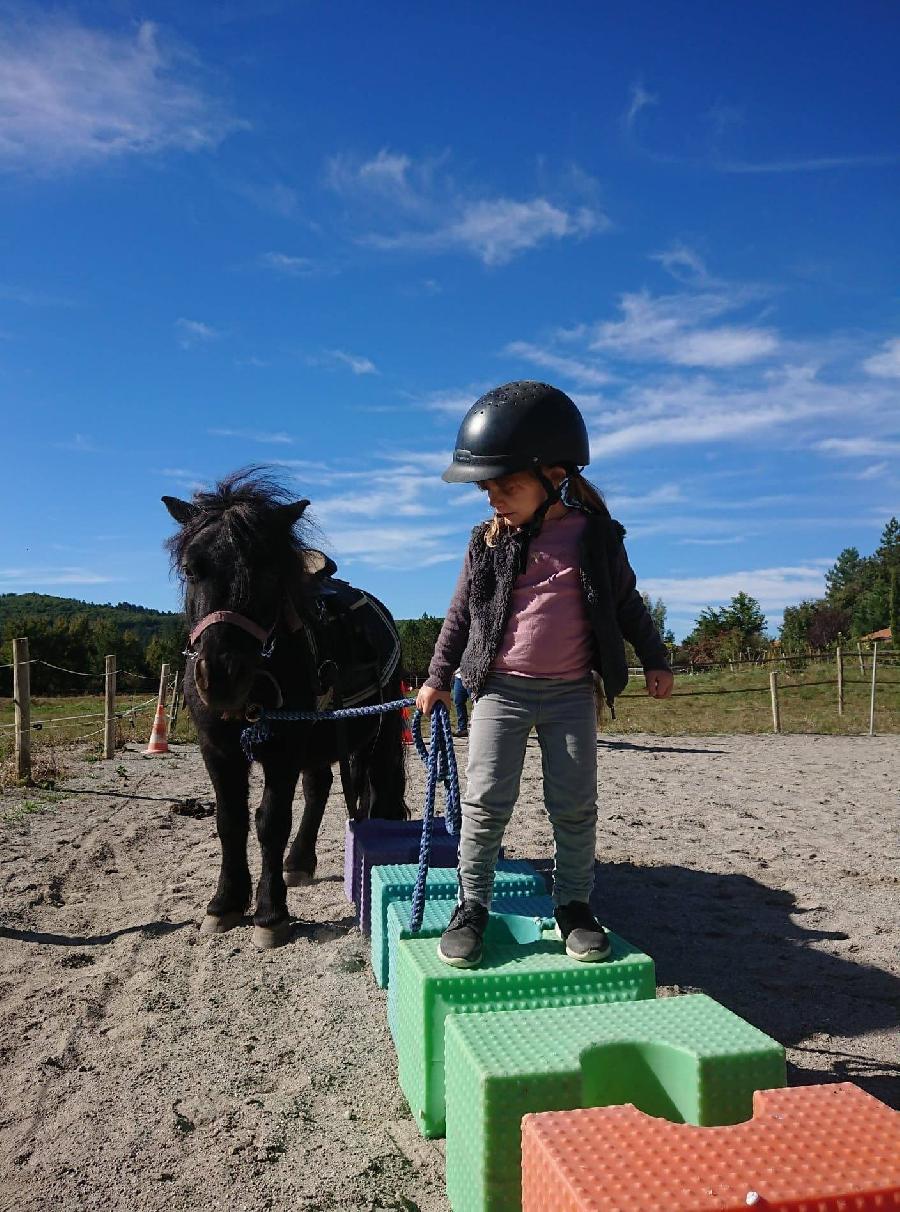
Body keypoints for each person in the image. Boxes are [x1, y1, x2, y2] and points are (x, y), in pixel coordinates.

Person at [416, 381, 674, 968]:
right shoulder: (485, 542)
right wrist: (436, 676)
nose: (494, 499)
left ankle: (574, 907)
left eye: (507, 486)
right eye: (487, 488)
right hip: (499, 691)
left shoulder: (597, 537)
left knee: (575, 804)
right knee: (484, 803)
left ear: (553, 475)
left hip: (570, 695)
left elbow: (629, 603)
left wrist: (655, 657)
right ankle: (472, 906)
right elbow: (460, 615)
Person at [451, 668, 470, 736]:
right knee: (458, 701)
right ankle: (462, 728)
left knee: (476, 702)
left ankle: (479, 727)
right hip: (459, 676)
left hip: (472, 676)